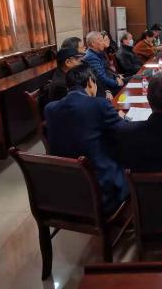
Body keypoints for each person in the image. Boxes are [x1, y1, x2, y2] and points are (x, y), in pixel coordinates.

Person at [44, 64, 128, 214]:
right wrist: (121, 118)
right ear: (90, 82)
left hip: (64, 191)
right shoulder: (100, 105)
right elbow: (123, 132)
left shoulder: (50, 109)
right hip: (100, 192)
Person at [83, 31, 124, 96]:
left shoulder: (98, 53)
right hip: (104, 89)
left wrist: (116, 76)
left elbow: (107, 69)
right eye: (101, 41)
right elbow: (101, 78)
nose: (103, 43)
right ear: (93, 43)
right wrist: (116, 83)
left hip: (109, 82)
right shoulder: (91, 57)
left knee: (132, 79)